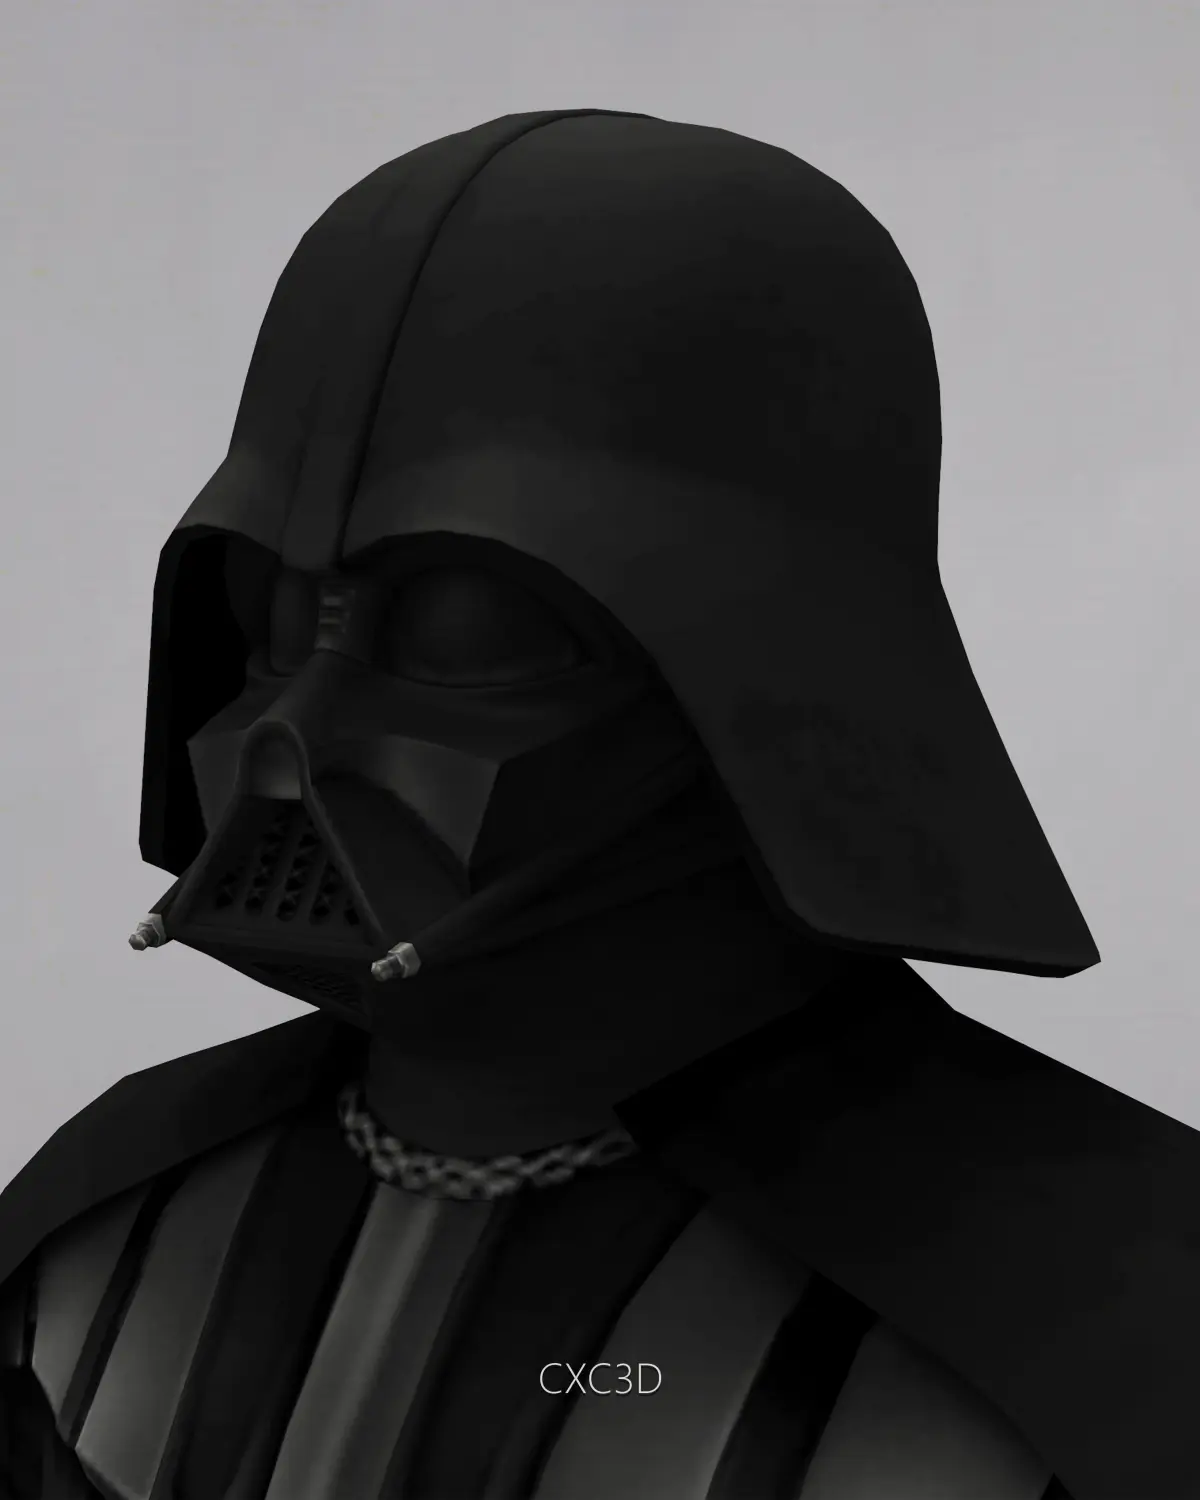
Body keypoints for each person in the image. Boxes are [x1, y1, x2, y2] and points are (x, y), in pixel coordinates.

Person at [1, 108, 1195, 1500]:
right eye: (269, 625)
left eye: (468, 636)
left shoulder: (1119, 1303)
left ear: (761, 674)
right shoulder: (96, 1227)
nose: (289, 745)